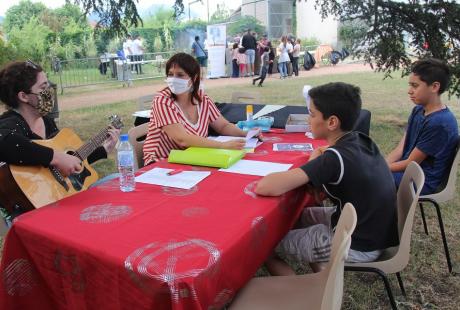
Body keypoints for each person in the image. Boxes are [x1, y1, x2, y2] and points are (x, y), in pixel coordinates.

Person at [255, 82, 399, 274]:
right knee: (297, 215)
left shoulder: (334, 159)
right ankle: (320, 275)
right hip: (370, 231)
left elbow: (265, 187)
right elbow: (321, 153)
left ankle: (307, 297)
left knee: (264, 244)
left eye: (312, 114)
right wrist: (316, 160)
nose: (308, 120)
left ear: (332, 122)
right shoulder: (359, 140)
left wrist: (313, 165)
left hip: (357, 244)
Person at [0, 61, 120, 198]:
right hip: (35, 200)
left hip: (59, 194)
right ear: (23, 96)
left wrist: (104, 149)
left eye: (48, 84)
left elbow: (67, 163)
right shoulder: (11, 123)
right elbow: (4, 142)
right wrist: (56, 157)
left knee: (116, 179)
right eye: (43, 86)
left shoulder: (47, 121)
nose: (49, 90)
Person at [142, 53, 250, 165]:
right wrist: (222, 146)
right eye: (170, 74)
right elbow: (182, 139)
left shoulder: (202, 99)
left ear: (193, 78)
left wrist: (246, 134)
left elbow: (223, 126)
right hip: (161, 162)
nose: (173, 79)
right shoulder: (162, 101)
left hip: (192, 158)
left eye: (180, 75)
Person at [386, 58, 458, 195]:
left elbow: (411, 164)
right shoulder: (418, 110)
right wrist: (381, 164)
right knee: (367, 175)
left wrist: (381, 169)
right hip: (407, 172)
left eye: (415, 86)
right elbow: (401, 148)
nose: (410, 91)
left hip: (421, 180)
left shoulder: (440, 123)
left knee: (370, 179)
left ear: (434, 87)